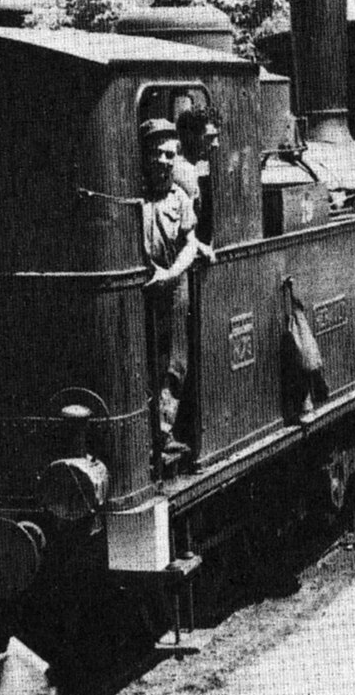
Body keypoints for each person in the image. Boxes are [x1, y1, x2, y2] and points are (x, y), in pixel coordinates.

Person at [140, 117, 216, 460]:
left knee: (174, 361)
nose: (164, 162)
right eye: (157, 154)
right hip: (143, 285)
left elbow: (190, 242)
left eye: (170, 155)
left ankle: (163, 431)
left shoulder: (181, 198)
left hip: (173, 285)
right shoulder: (136, 200)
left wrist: (171, 273)